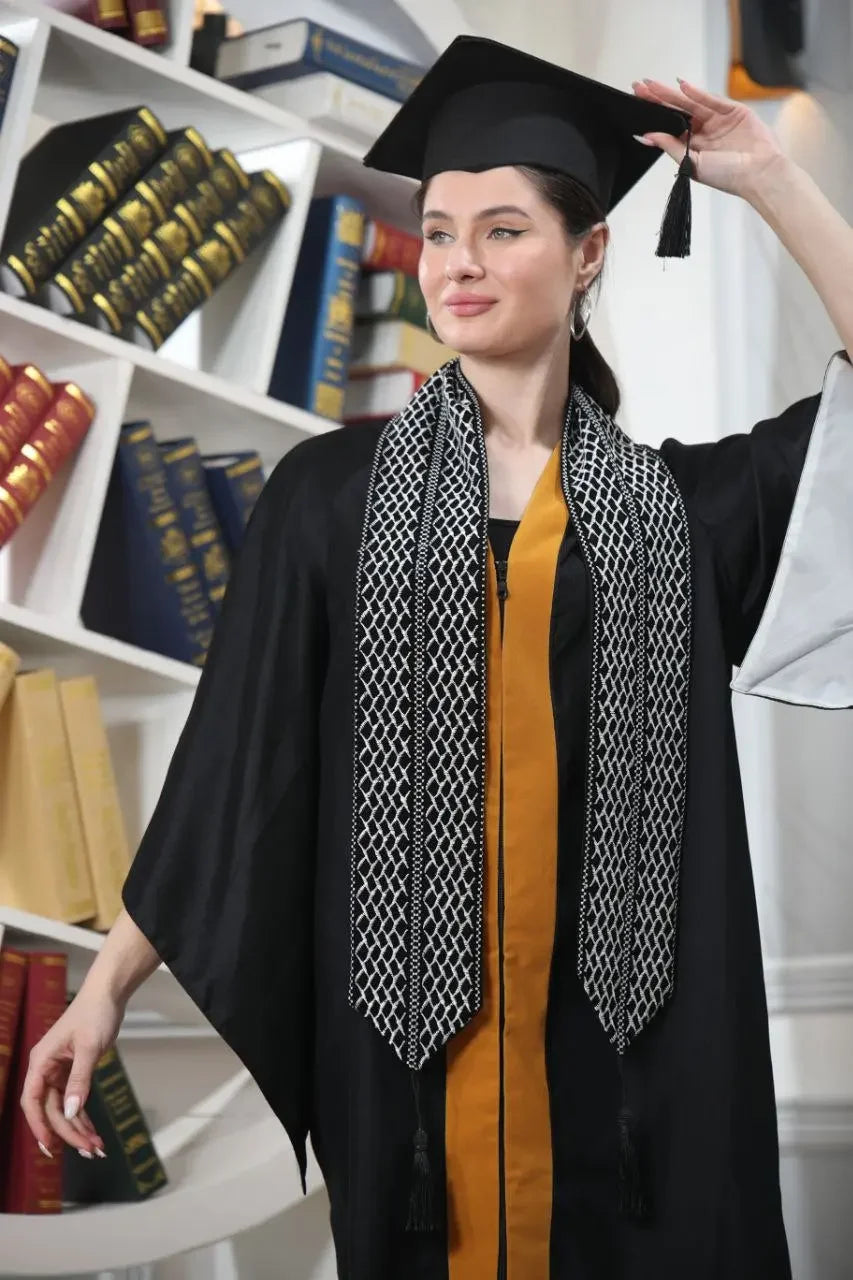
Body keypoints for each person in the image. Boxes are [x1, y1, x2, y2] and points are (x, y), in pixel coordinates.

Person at [20, 32, 853, 1280]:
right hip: (413, 1072)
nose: (456, 263)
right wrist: (103, 991)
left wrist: (774, 180)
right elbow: (236, 761)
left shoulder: (679, 514)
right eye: (441, 231)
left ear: (587, 254)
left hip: (646, 1072)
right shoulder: (328, 496)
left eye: (503, 230)